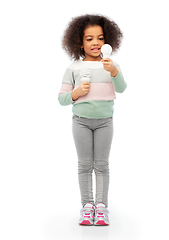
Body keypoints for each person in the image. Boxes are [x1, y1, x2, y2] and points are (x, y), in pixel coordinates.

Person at [58, 14, 127, 226]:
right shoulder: (74, 68)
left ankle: (102, 207)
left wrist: (114, 71)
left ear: (107, 41)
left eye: (100, 38)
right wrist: (77, 92)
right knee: (85, 165)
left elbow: (122, 88)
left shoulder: (110, 65)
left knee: (102, 165)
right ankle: (87, 207)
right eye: (89, 39)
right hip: (81, 121)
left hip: (106, 121)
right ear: (79, 42)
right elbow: (62, 99)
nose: (95, 42)